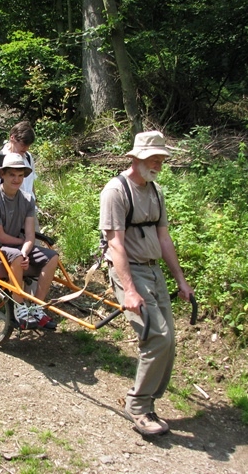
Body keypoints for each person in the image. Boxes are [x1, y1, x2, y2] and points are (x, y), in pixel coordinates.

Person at [99, 130, 194, 436]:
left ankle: (148, 401)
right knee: (157, 338)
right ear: (136, 158)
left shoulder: (154, 191)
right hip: (130, 271)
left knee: (169, 342)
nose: (158, 164)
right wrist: (128, 289)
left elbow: (164, 238)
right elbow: (115, 245)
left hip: (154, 271)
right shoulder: (116, 191)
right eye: (153, 158)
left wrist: (180, 279)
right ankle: (138, 407)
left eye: (161, 159)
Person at [0, 153, 58, 330]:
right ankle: (19, 307)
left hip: (15, 246)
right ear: (3, 175)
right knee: (16, 256)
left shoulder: (28, 199)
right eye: (12, 175)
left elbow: (30, 235)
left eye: (20, 175)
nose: (17, 179)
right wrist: (22, 250)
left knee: (52, 257)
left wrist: (25, 250)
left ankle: (37, 306)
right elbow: (0, 236)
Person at [0, 121, 40, 232]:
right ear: (12, 138)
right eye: (23, 144)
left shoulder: (28, 157)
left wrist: (35, 201)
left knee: (34, 245)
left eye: (28, 145)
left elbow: (31, 183)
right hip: (8, 215)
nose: (26, 148)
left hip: (29, 210)